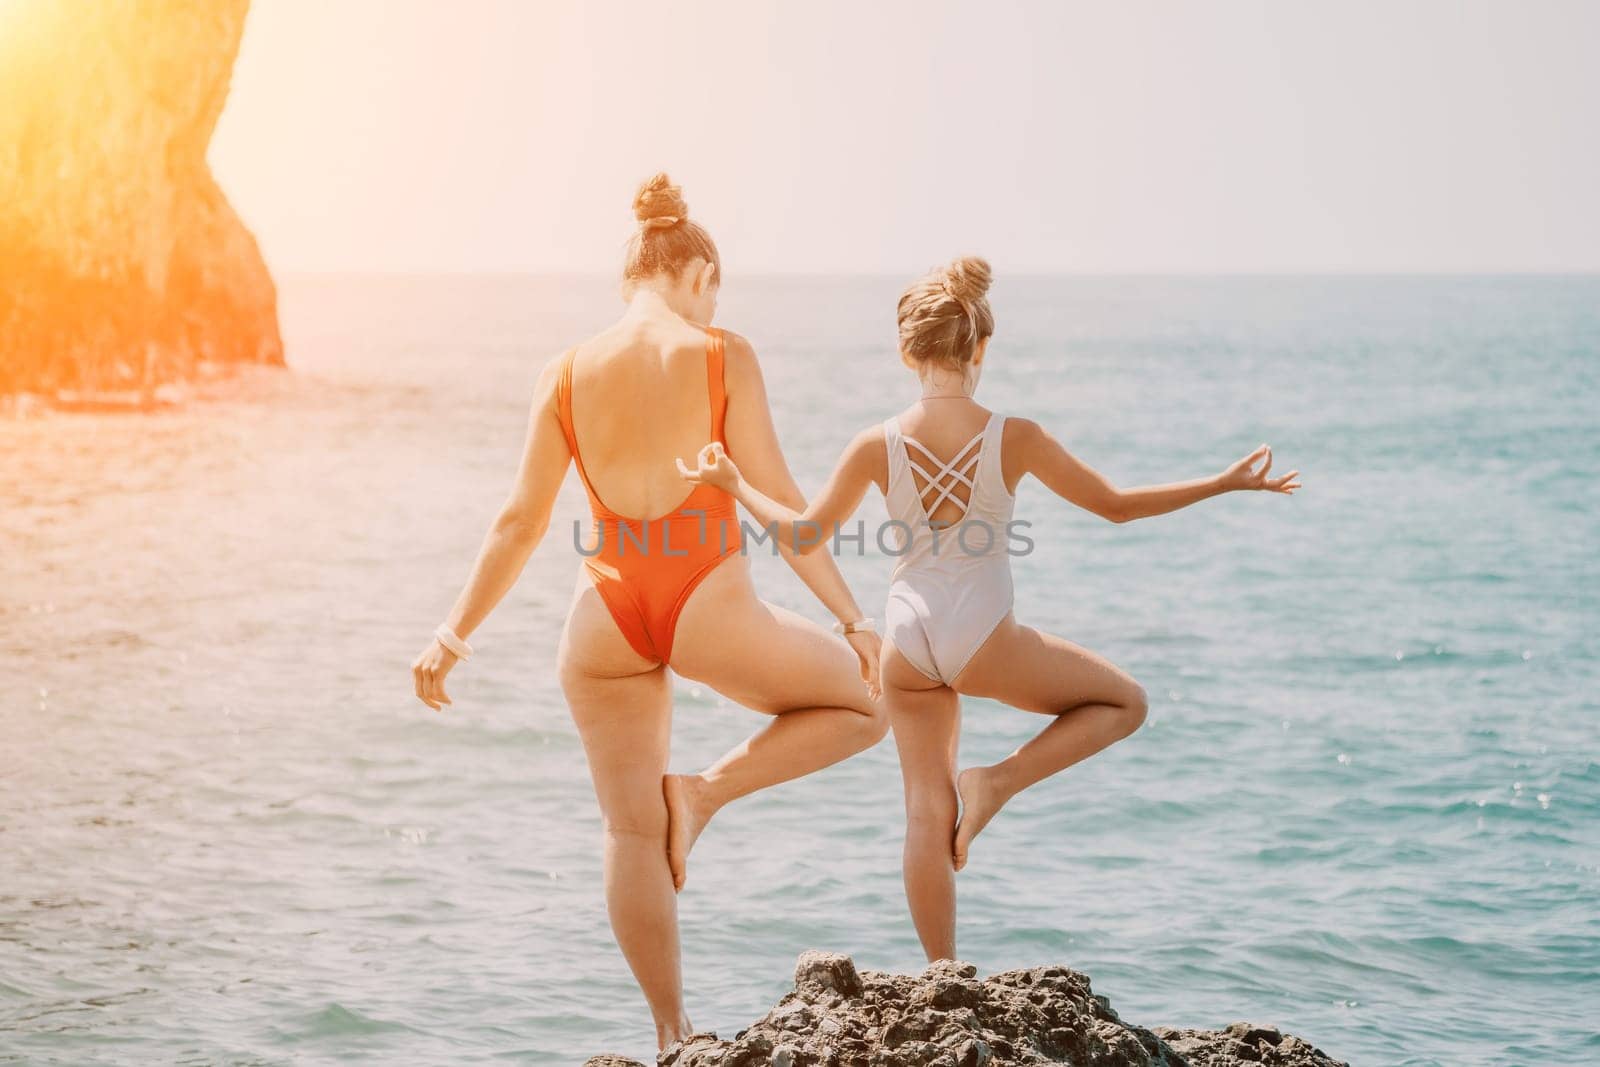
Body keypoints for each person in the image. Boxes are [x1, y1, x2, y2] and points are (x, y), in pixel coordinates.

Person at [678, 255, 1300, 962]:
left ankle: (944, 975)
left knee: (922, 807)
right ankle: (997, 781)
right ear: (979, 348)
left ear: (907, 351)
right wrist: (1221, 483)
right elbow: (1117, 507)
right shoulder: (1016, 435)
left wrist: (733, 482)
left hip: (906, 639)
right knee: (1125, 702)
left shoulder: (874, 444)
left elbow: (802, 533)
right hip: (984, 638)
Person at [411, 174, 887, 1048]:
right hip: (707, 596)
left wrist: (451, 635)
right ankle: (703, 796)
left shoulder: (561, 373)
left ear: (630, 275)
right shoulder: (720, 353)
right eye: (715, 289)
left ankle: (672, 1033)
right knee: (870, 703)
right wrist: (855, 621)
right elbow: (780, 505)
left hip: (604, 615)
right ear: (698, 270)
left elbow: (519, 523)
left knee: (630, 830)